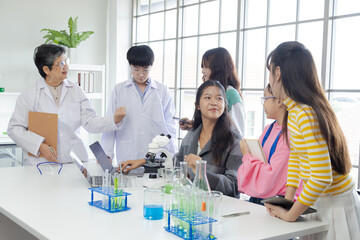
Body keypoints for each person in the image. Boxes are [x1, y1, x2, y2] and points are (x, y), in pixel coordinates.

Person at [264, 41, 360, 239]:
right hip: (321, 204)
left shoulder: (304, 113)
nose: (270, 81)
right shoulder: (297, 110)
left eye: (270, 72)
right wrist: (287, 202)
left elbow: (322, 176)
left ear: (278, 73)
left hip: (335, 207)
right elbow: (297, 158)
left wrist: (290, 214)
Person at [120, 80, 243, 198]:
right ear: (198, 105)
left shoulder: (234, 141)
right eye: (207, 97)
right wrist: (144, 161)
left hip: (219, 209)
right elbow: (174, 164)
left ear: (224, 105)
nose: (214, 102)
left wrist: (202, 173)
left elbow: (235, 186)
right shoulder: (191, 136)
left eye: (219, 98)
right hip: (191, 205)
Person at [7, 44, 125, 165]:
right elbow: (14, 129)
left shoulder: (76, 91)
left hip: (74, 161)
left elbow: (90, 122)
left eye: (66, 61)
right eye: (61, 64)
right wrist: (39, 145)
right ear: (46, 70)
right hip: (41, 164)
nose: (66, 67)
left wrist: (114, 120)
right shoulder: (30, 95)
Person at [101, 45, 177, 167]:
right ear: (130, 66)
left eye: (145, 69)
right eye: (136, 69)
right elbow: (110, 124)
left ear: (151, 66)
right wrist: (107, 154)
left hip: (156, 158)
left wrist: (172, 156)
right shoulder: (119, 90)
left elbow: (170, 126)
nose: (141, 74)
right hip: (127, 156)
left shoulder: (162, 90)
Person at [237, 84, 302, 204]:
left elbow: (271, 179)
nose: (263, 104)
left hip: (278, 202)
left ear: (279, 100)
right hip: (260, 199)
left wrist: (247, 157)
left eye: (265, 99)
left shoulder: (290, 135)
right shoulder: (269, 129)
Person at [180, 47, 245, 138]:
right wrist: (193, 126)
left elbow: (238, 133)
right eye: (202, 66)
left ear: (217, 68)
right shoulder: (206, 91)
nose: (202, 71)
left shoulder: (231, 94)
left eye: (206, 66)